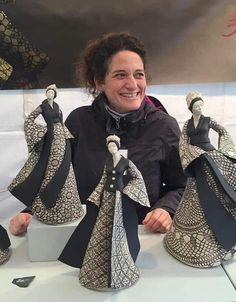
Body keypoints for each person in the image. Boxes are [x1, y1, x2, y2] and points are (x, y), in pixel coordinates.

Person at [9, 32, 186, 235]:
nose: (133, 84)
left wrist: (166, 209)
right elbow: (56, 177)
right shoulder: (78, 122)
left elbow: (183, 184)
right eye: (120, 75)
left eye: (139, 74)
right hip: (85, 236)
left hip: (144, 235)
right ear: (99, 82)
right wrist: (31, 212)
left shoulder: (164, 127)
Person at [59, 134, 150, 290]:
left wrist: (130, 191)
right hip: (107, 197)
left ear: (118, 146)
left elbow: (138, 177)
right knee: (101, 227)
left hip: (119, 199)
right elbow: (103, 180)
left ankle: (120, 261)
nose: (112, 149)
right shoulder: (107, 162)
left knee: (119, 228)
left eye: (114, 146)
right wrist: (96, 196)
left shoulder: (126, 162)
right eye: (109, 147)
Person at [164, 91, 236, 267]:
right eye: (196, 106)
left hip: (210, 159)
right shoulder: (187, 124)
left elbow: (223, 132)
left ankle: (225, 240)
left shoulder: (208, 120)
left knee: (218, 190)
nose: (199, 108)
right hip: (196, 160)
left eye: (201, 105)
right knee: (195, 193)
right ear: (191, 108)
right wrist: (191, 155)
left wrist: (225, 151)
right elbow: (183, 142)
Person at [8, 84, 84, 227]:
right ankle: (47, 206)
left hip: (62, 138)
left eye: (52, 92)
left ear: (54, 94)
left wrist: (65, 136)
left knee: (66, 169)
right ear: (46, 93)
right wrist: (40, 132)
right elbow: (30, 119)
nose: (50, 94)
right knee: (49, 168)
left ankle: (70, 209)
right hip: (51, 138)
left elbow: (60, 122)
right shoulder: (43, 106)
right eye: (49, 92)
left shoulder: (57, 106)